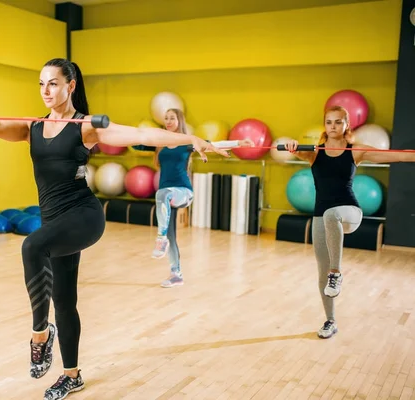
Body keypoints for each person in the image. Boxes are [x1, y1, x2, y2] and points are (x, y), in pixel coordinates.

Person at [0, 58, 230, 400]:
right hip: (54, 220)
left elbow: (140, 134)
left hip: (83, 215)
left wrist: (188, 137)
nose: (46, 91)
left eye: (54, 83)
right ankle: (71, 375)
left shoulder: (85, 126)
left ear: (70, 85)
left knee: (31, 247)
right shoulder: (32, 127)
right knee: (64, 300)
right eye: (41, 84)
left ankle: (40, 334)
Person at [284, 105, 415, 339]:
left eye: (337, 122)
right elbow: (295, 151)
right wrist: (294, 146)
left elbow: (397, 155)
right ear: (324, 125)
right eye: (328, 122)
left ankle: (337, 272)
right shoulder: (315, 152)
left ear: (346, 125)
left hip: (349, 212)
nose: (333, 126)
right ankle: (330, 320)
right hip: (321, 217)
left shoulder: (356, 151)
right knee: (322, 275)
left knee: (331, 216)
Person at [149, 108, 253, 288]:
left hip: (183, 191)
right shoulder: (160, 143)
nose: (168, 121)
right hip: (167, 196)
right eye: (166, 118)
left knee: (162, 193)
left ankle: (160, 238)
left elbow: (214, 144)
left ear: (179, 120)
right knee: (172, 235)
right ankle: (176, 274)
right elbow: (135, 140)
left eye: (172, 118)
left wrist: (239, 142)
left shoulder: (187, 142)